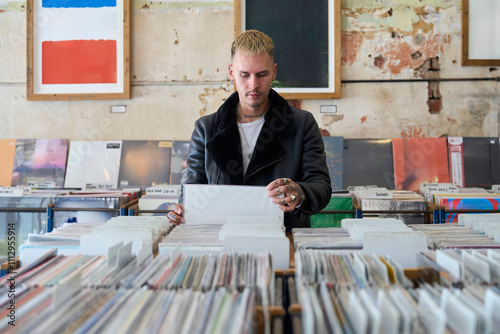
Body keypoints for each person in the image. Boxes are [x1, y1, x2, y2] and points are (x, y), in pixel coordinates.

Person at [168, 29, 331, 231]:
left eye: (261, 74)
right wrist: (182, 210)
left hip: (282, 240)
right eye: (244, 75)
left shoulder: (302, 124)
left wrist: (300, 193)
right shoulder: (206, 128)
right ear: (231, 73)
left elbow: (321, 186)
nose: (253, 85)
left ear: (274, 72)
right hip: (221, 241)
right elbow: (192, 191)